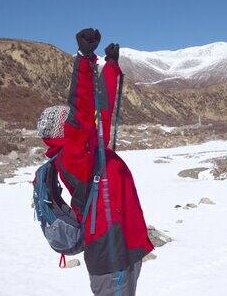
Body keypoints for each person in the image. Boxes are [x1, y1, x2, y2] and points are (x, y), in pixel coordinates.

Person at [46, 28, 154, 296]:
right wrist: (84, 59)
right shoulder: (74, 156)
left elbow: (101, 109)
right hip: (110, 254)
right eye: (69, 121)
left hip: (125, 245)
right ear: (64, 131)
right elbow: (83, 106)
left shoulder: (90, 151)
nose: (76, 122)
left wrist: (111, 68)